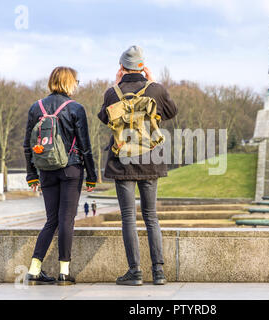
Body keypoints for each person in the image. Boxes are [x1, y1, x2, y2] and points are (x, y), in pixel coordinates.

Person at [98, 45, 178, 286]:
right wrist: (153, 82)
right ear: (143, 67)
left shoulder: (112, 92)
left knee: (128, 218)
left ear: (122, 68)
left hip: (123, 160)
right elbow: (172, 112)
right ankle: (158, 272)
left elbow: (104, 118)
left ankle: (134, 271)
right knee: (151, 216)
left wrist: (115, 84)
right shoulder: (156, 89)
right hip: (150, 159)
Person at [23, 66, 97, 286]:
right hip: (71, 169)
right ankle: (64, 271)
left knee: (51, 220)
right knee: (66, 219)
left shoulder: (36, 107)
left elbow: (28, 145)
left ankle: (34, 269)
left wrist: (31, 175)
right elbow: (85, 146)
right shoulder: (76, 108)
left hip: (45, 170)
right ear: (69, 82)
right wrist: (92, 176)